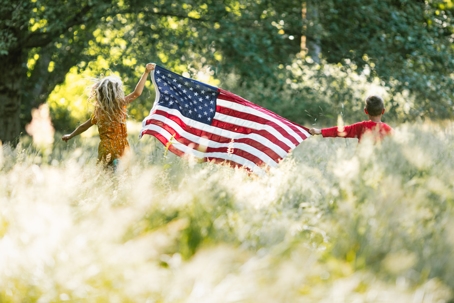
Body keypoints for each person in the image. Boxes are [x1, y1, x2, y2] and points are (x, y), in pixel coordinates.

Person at [62, 63, 156, 169]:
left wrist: (70, 135)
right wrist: (146, 72)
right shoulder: (120, 105)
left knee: (106, 177)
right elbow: (136, 93)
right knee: (121, 177)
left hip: (105, 148)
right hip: (121, 148)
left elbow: (84, 126)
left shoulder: (99, 112)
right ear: (117, 92)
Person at [309, 95, 393, 142]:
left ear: (365, 111)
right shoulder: (388, 129)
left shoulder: (362, 126)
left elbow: (341, 130)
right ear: (383, 111)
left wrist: (319, 131)